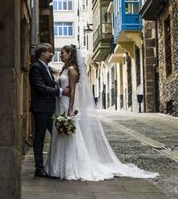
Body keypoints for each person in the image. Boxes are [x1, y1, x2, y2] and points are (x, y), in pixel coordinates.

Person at [45, 44, 158, 181]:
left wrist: (70, 109)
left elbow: (73, 91)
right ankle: (57, 166)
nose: (61, 55)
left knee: (70, 135)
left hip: (66, 104)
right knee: (60, 133)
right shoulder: (64, 69)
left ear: (70, 54)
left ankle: (71, 167)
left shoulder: (71, 70)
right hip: (60, 104)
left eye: (63, 53)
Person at [30, 43, 69, 178]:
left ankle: (60, 164)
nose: (52, 54)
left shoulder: (46, 67)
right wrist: (60, 91)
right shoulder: (36, 67)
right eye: (50, 52)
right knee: (39, 138)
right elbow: (40, 87)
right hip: (40, 109)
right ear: (42, 53)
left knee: (58, 136)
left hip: (49, 109)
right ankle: (39, 168)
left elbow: (48, 85)